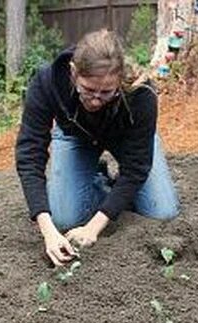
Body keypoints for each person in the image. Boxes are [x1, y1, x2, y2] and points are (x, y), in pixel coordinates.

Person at [15, 29, 180, 266]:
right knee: (64, 218)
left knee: (163, 212)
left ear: (120, 79)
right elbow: (29, 155)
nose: (95, 100)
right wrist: (48, 231)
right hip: (76, 135)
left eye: (106, 93)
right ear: (74, 73)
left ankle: (114, 193)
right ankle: (100, 181)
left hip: (126, 137)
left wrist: (93, 228)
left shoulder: (141, 94)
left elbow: (136, 167)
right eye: (88, 90)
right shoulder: (47, 82)